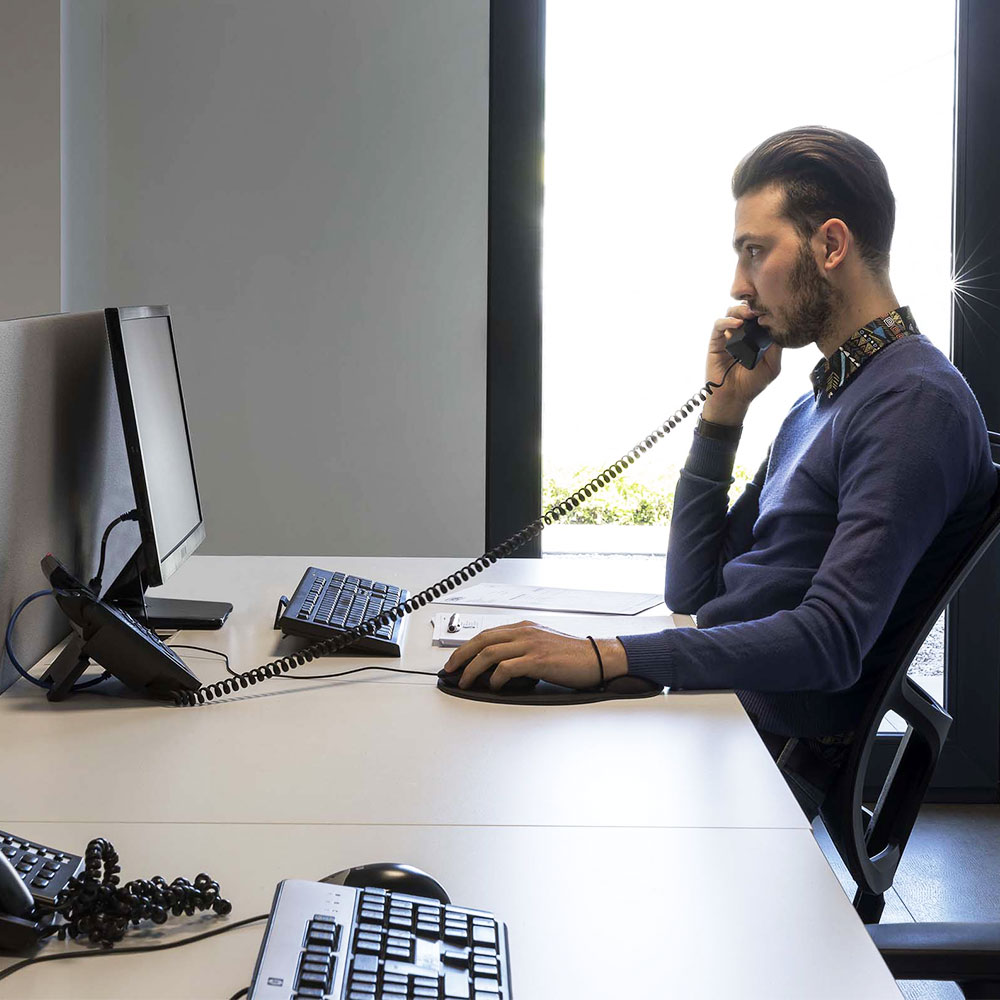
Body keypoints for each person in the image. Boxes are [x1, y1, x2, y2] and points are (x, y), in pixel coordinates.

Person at [441, 126, 996, 816]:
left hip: (762, 755)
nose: (738, 284)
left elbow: (831, 643)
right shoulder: (821, 401)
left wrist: (608, 655)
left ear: (830, 245)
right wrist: (723, 415)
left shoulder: (913, 405)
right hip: (717, 713)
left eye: (754, 252)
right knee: (478, 760)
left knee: (497, 792)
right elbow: (694, 589)